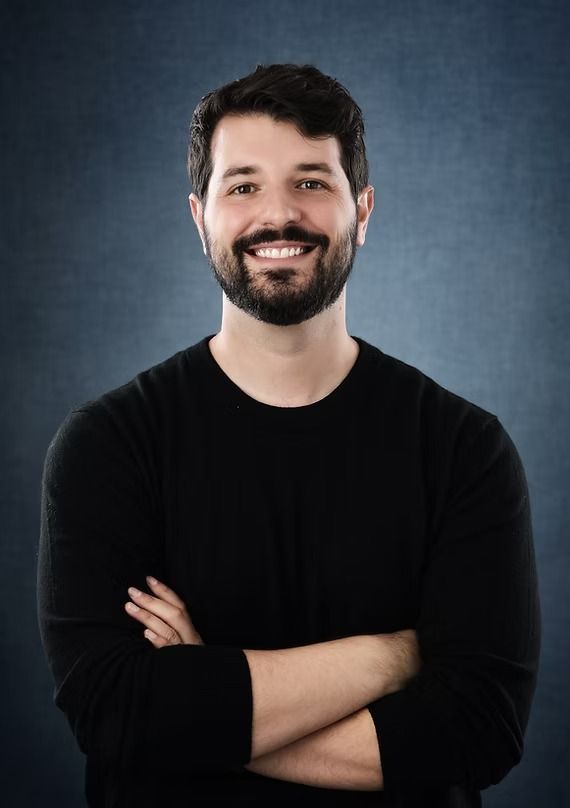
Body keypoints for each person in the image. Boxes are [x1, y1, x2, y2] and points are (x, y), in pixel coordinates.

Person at [37, 63, 541, 807]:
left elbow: (477, 730)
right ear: (198, 216)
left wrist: (206, 698)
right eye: (242, 186)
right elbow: (116, 713)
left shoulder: (463, 448)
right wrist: (391, 657)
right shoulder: (108, 445)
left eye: (311, 181)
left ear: (362, 210)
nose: (278, 215)